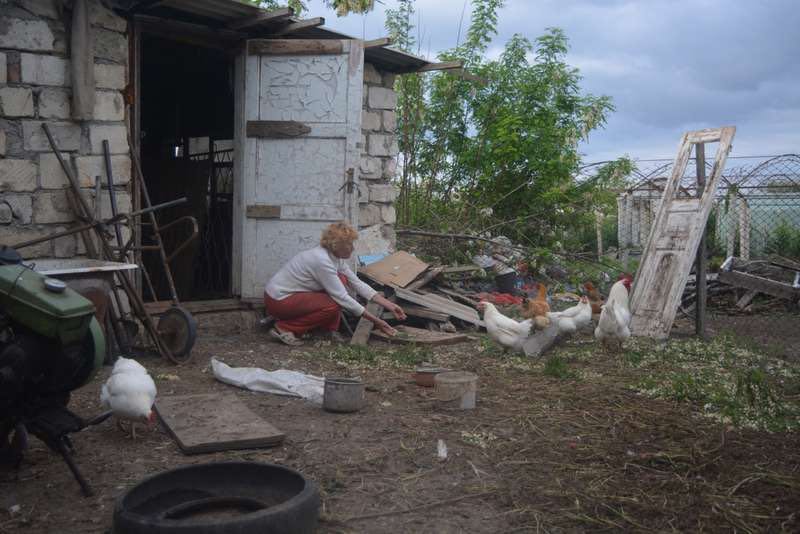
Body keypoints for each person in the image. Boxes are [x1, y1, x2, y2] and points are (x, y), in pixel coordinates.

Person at [264, 221, 406, 346]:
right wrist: (378, 322)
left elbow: (356, 283)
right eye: (349, 244)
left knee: (342, 280)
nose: (353, 248)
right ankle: (284, 327)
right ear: (336, 245)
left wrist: (390, 305)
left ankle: (328, 330)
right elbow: (342, 298)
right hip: (278, 300)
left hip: (290, 296)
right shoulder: (322, 260)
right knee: (333, 303)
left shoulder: (335, 258)